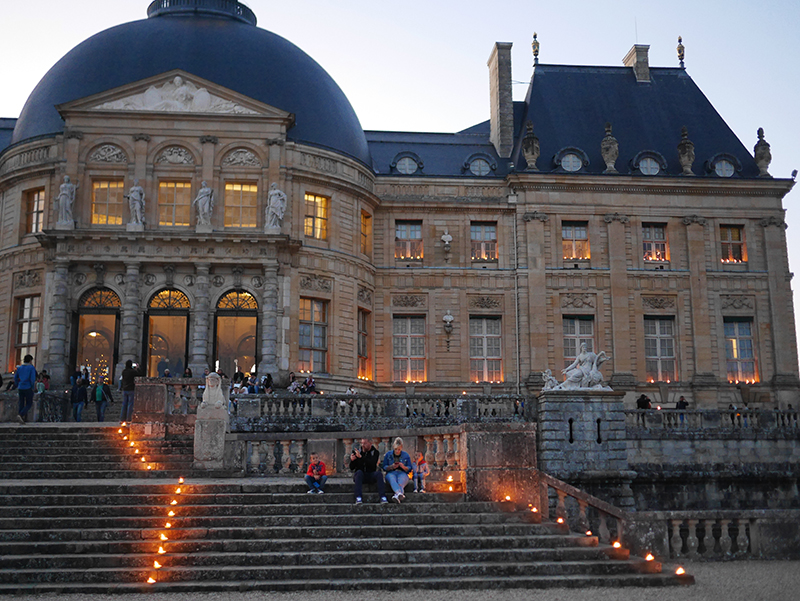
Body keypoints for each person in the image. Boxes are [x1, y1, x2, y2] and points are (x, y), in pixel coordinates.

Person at [350, 437, 387, 505]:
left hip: (370, 474)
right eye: (362, 443)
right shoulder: (358, 452)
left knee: (379, 474)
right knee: (358, 473)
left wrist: (361, 458)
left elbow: (372, 464)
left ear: (370, 443)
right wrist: (352, 461)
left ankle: (383, 497)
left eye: (365, 443)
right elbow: (352, 468)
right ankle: (358, 497)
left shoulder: (375, 452)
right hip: (360, 475)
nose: (363, 445)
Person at [382, 437, 413, 503]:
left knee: (401, 482)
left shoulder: (406, 455)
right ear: (393, 447)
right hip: (391, 472)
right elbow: (384, 467)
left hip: (402, 473)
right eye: (396, 449)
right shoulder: (388, 455)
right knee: (392, 479)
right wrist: (391, 467)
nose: (397, 451)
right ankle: (399, 493)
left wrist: (403, 467)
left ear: (401, 447)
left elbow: (409, 468)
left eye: (399, 449)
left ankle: (397, 495)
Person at [14, 354, 37, 424]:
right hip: (28, 387)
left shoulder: (20, 368)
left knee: (21, 402)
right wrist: (33, 387)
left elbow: (15, 378)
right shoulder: (31, 368)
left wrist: (17, 384)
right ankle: (21, 414)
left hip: (20, 387)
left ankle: (21, 418)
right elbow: (32, 379)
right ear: (30, 360)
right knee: (29, 403)